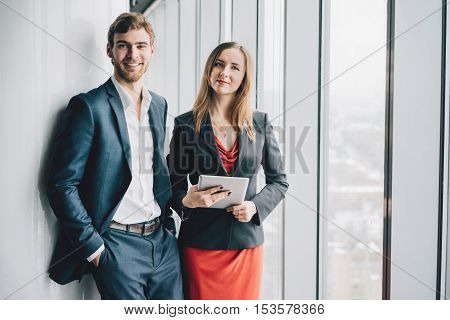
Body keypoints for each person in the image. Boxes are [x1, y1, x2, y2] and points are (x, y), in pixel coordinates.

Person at [47, 12, 182, 300]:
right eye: (123, 45)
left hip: (163, 244)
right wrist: (95, 249)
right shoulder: (89, 107)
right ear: (110, 50)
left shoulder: (158, 104)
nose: (133, 54)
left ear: (152, 50)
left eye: (141, 45)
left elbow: (155, 169)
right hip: (117, 246)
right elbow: (62, 184)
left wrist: (170, 224)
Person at [167, 42, 288, 299]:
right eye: (219, 64)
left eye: (235, 67)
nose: (225, 72)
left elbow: (279, 182)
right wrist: (187, 201)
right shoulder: (186, 125)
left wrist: (255, 207)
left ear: (244, 77)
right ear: (209, 70)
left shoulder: (260, 122)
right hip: (199, 245)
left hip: (246, 245)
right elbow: (172, 187)